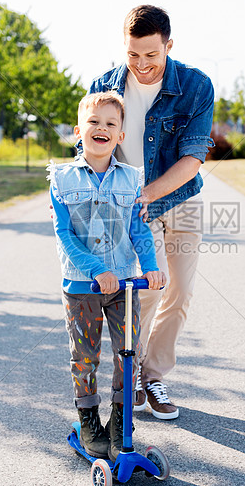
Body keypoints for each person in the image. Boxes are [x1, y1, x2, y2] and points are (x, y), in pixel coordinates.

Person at [89, 5, 214, 420]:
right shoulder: (105, 85)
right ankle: (130, 373)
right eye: (133, 55)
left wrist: (146, 193)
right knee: (146, 289)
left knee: (180, 291)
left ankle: (153, 374)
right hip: (133, 207)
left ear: (168, 46)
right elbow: (91, 144)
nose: (141, 65)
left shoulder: (196, 86)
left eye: (151, 55)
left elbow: (194, 156)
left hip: (179, 198)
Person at [48, 91, 166, 461]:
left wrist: (149, 267)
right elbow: (65, 235)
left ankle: (119, 418)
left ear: (120, 136)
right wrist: (97, 270)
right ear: (77, 131)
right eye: (94, 122)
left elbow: (139, 230)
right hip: (82, 287)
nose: (101, 128)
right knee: (85, 355)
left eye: (111, 124)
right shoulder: (62, 179)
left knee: (126, 353)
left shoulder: (132, 180)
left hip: (124, 287)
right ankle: (88, 418)